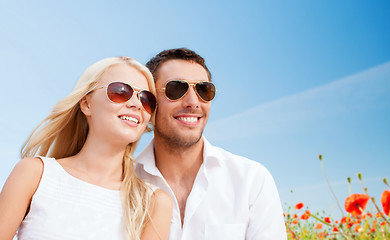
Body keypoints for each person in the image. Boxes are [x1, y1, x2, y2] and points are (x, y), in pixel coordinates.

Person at [0, 56, 172, 240]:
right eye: (121, 91)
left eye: (146, 99)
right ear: (86, 104)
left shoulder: (154, 203)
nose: (136, 104)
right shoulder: (34, 174)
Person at [135, 48, 287, 239]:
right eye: (176, 89)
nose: (193, 102)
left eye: (203, 90)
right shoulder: (124, 184)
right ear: (149, 101)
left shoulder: (252, 180)